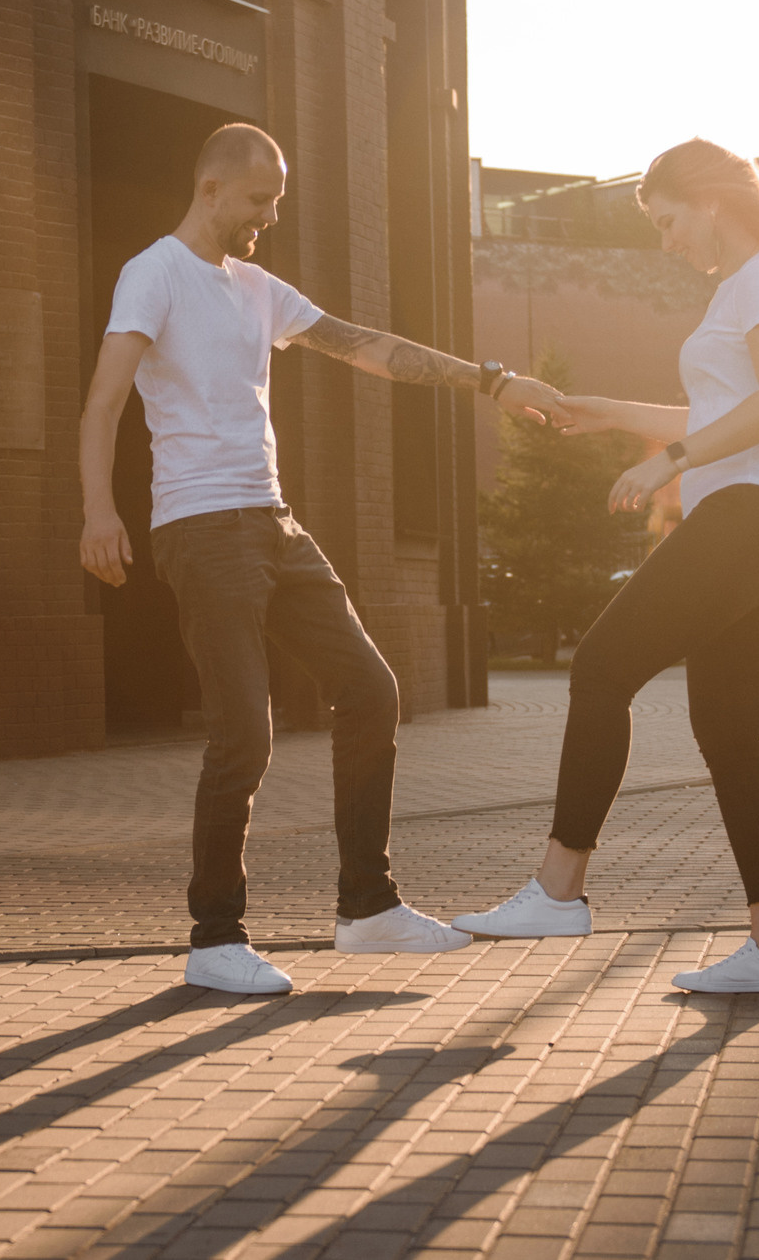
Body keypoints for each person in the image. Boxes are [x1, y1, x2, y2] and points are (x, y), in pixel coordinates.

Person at [79, 122, 567, 996]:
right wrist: (97, 511)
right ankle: (215, 937)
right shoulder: (153, 273)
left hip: (272, 522)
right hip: (198, 524)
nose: (268, 216)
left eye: (278, 201)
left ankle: (367, 909)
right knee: (245, 732)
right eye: (259, 201)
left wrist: (491, 381)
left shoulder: (257, 288)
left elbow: (368, 348)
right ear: (213, 190)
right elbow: (103, 401)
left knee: (371, 689)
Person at [452, 138, 759, 993]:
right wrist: (613, 418)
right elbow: (730, 405)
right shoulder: (750, 284)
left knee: (599, 669)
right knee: (730, 738)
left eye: (665, 222)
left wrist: (674, 460)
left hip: (748, 520)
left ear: (709, 203)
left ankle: (559, 888)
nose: (665, 242)